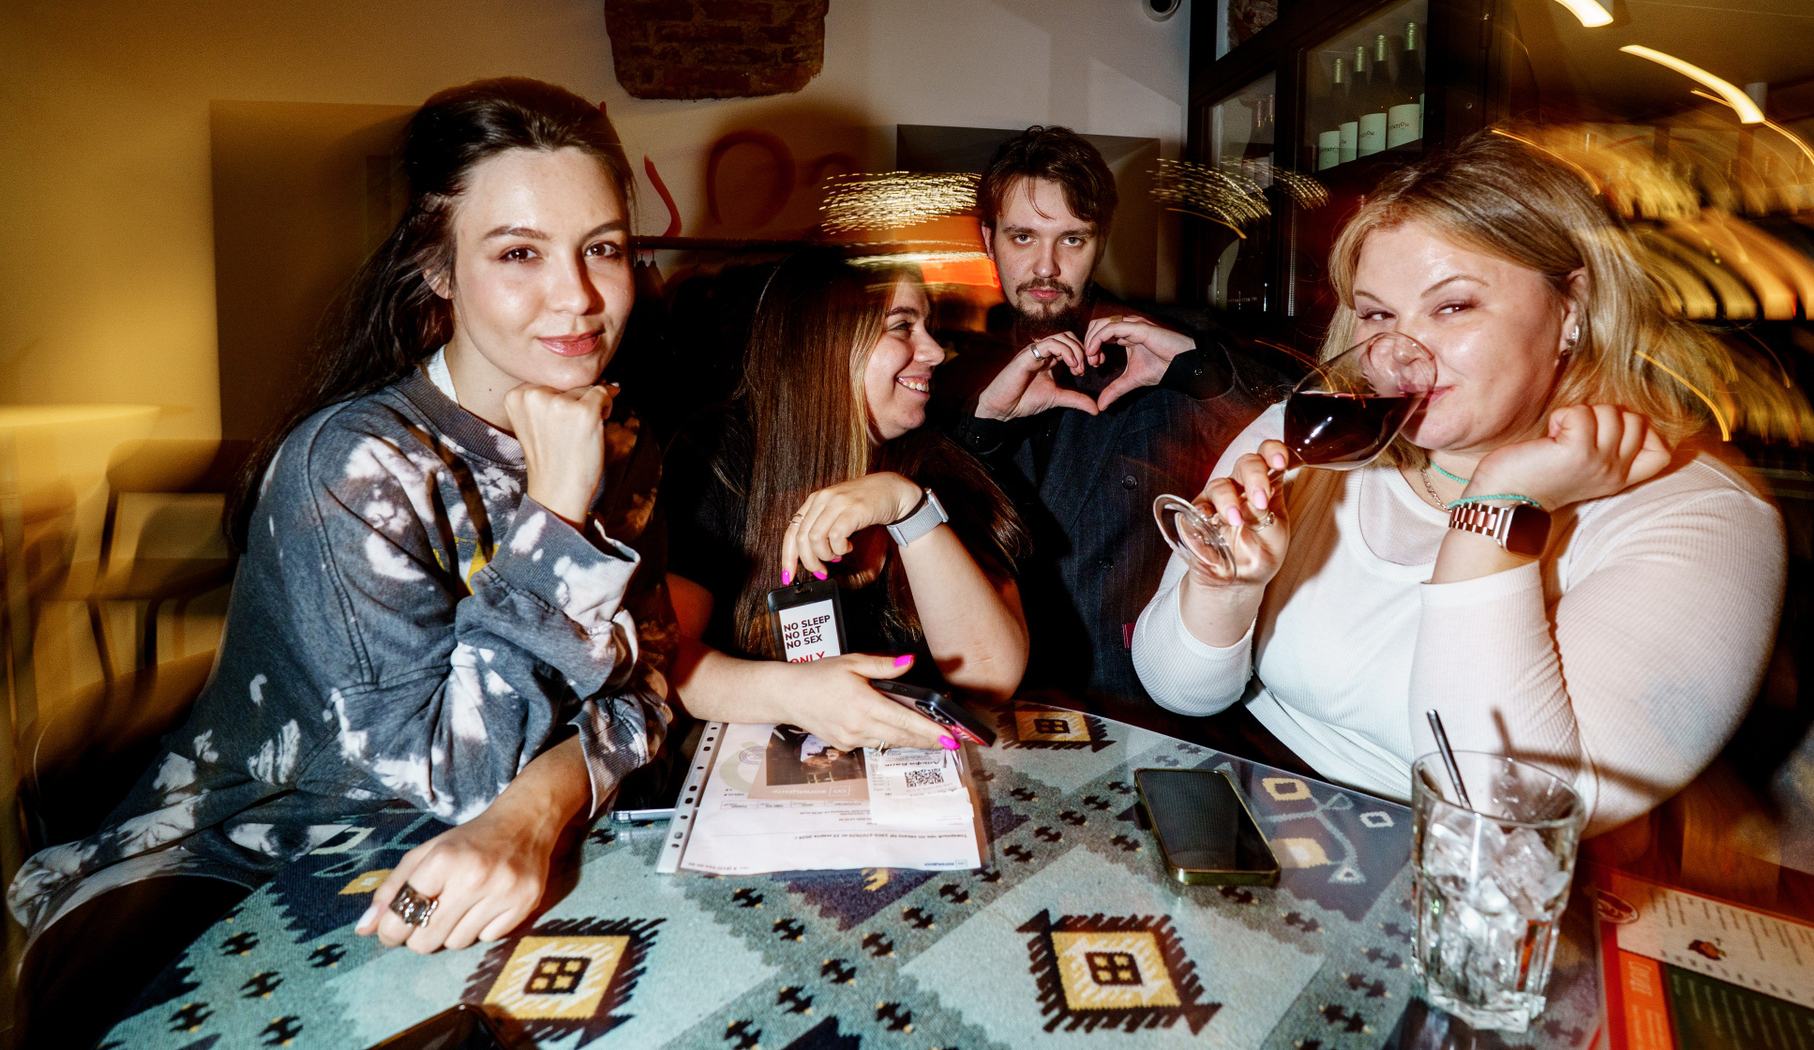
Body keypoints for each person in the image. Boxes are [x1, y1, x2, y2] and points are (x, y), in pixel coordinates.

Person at [6, 78, 675, 1046]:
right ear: (436, 267)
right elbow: (459, 779)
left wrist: (541, 802)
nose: (576, 295)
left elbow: (646, 679)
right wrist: (558, 512)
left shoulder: (615, 434)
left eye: (602, 247)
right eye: (518, 252)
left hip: (453, 852)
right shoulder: (352, 464)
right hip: (241, 865)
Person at [1131, 130, 1786, 835]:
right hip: (1235, 804)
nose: (1396, 354)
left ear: (1571, 308)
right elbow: (1178, 690)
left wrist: (1500, 505)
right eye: (1378, 314)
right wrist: (1229, 588)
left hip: (1452, 867)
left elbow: (1512, 814)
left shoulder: (1703, 514)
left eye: (1453, 307)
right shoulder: (1311, 436)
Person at [942, 126, 1257, 717]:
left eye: (1072, 239)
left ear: (1100, 240)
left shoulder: (1162, 351)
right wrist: (982, 429)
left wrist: (1200, 373)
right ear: (989, 239)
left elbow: (1285, 447)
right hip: (988, 699)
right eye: (1022, 236)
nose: (1046, 266)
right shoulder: (948, 377)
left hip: (1133, 706)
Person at [662, 250, 1029, 752]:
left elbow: (991, 677)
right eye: (902, 326)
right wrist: (796, 697)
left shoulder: (941, 466)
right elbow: (661, 658)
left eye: (928, 327)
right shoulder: (721, 456)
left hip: (915, 776)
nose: (935, 351)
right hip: (760, 780)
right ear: (824, 343)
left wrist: (910, 511)